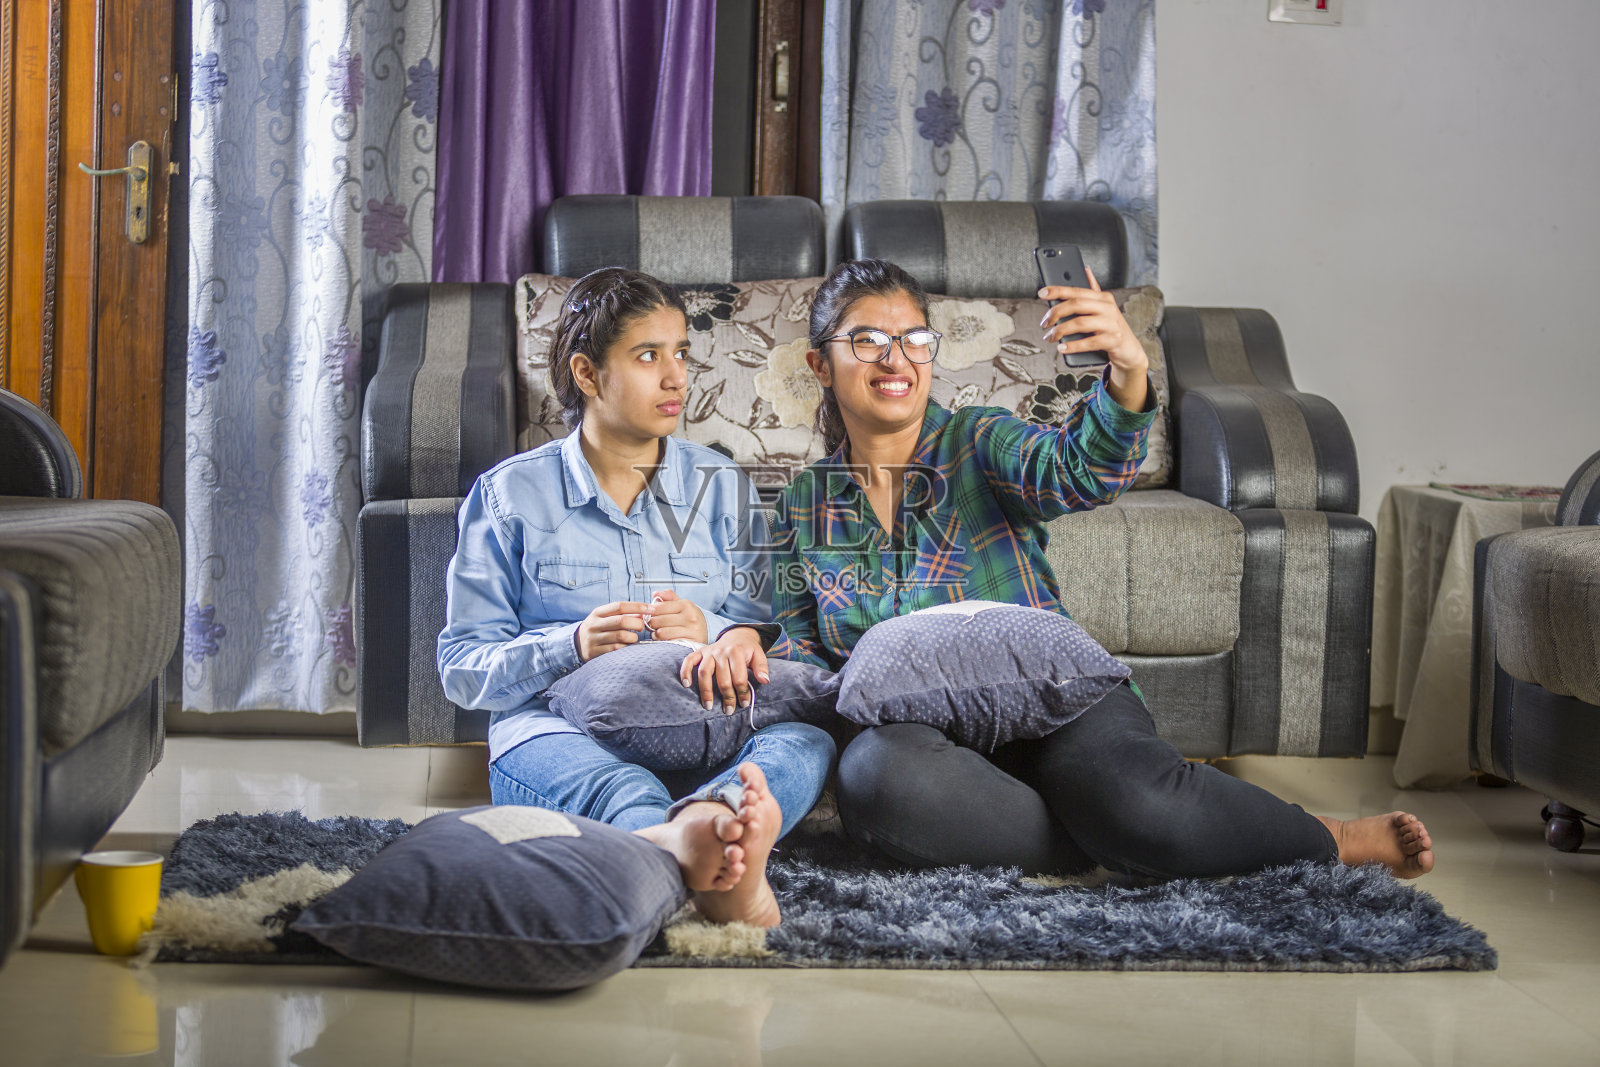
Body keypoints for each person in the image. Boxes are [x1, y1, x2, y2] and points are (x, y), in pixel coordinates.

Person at [766, 258, 1435, 882]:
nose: (896, 358)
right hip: (927, 742)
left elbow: (1077, 469)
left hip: (1056, 702)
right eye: (867, 341)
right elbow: (803, 653)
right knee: (877, 779)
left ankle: (1324, 838)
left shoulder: (978, 440)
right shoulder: (802, 505)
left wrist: (1127, 369)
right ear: (820, 365)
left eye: (914, 338)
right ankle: (1095, 835)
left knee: (1137, 799)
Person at [438, 267, 835, 926]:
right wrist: (569, 645)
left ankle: (712, 823)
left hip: (711, 729)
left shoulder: (721, 483)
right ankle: (690, 849)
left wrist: (721, 630)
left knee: (805, 741)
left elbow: (768, 624)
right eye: (649, 356)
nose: (677, 376)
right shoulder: (509, 496)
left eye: (681, 352)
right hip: (557, 735)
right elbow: (460, 667)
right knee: (623, 786)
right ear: (589, 375)